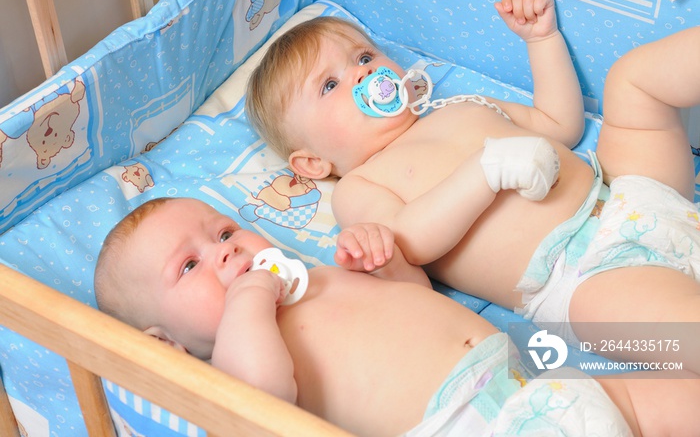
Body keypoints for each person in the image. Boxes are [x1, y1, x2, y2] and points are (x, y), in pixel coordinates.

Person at [245, 0, 700, 367]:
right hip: (582, 277)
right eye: (329, 85)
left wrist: (542, 40)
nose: (363, 73)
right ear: (311, 164)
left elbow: (559, 124)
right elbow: (410, 241)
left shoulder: (461, 105)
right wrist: (486, 172)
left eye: (364, 56)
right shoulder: (358, 186)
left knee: (632, 81)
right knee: (678, 323)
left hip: (626, 191)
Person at [94, 196, 700, 437]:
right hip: (470, 417)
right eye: (191, 267)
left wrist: (386, 261)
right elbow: (263, 392)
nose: (225, 251)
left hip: (526, 359)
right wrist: (250, 298)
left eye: (224, 231)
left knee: (669, 382)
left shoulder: (316, 275)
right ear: (165, 343)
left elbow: (418, 299)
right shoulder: (236, 352)